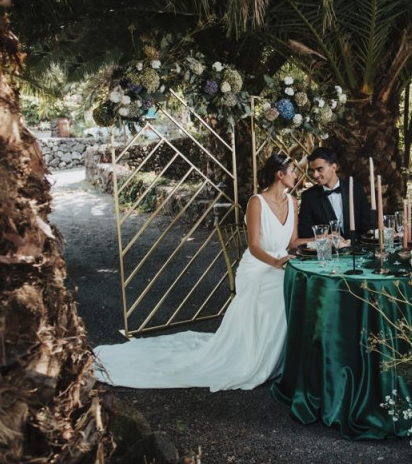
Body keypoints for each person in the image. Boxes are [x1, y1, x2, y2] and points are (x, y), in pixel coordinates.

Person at [94, 153, 308, 390]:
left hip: (281, 262)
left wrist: (323, 238)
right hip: (258, 265)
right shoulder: (256, 202)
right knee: (283, 287)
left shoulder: (292, 202)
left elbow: (293, 241)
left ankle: (285, 357)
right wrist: (275, 263)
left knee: (295, 283)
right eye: (293, 171)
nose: (296, 175)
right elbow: (255, 246)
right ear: (280, 174)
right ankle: (262, 357)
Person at [297, 147, 375, 239]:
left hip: (357, 250)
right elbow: (305, 235)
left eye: (319, 169)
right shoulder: (308, 197)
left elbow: (367, 226)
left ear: (333, 167)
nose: (315, 175)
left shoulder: (355, 189)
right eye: (313, 170)